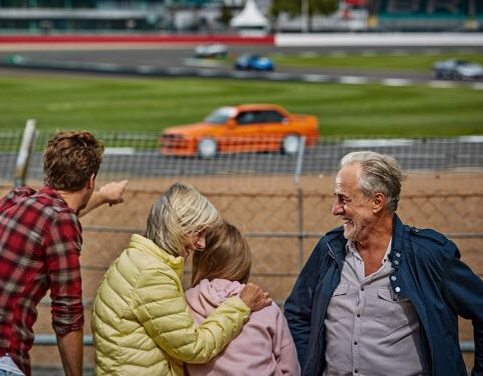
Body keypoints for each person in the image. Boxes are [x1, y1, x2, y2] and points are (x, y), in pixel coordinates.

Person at [0, 130, 128, 376]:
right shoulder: (60, 221)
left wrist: (102, 197)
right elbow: (68, 317)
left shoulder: (15, 200)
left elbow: (50, 216)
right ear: (90, 180)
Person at [285, 151, 483, 376]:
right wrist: (308, 366)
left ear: (376, 202)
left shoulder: (429, 255)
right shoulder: (329, 248)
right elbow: (297, 313)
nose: (335, 209)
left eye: (344, 199)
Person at [91, 182, 272, 375]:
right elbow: (194, 347)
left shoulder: (134, 262)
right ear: (178, 227)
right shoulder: (152, 274)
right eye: (198, 232)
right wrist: (240, 306)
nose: (201, 244)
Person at [185, 221, 301, 376]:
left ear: (200, 261)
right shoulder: (264, 304)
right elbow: (290, 367)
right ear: (243, 261)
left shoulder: (184, 304)